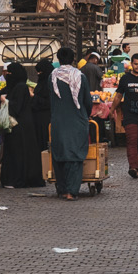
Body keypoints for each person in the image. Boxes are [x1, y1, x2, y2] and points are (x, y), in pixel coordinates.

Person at [46, 48, 90, 200]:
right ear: (73, 59)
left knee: (59, 155)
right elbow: (87, 101)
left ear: (58, 58)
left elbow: (51, 100)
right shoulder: (80, 76)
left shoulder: (52, 76)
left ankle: (63, 189)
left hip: (58, 121)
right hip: (77, 121)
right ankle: (72, 191)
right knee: (75, 156)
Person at [0, 59, 46, 189]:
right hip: (23, 126)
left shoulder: (21, 87)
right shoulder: (18, 86)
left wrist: (5, 100)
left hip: (20, 127)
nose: (8, 76)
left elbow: (16, 107)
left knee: (17, 154)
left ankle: (16, 179)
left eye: (10, 73)